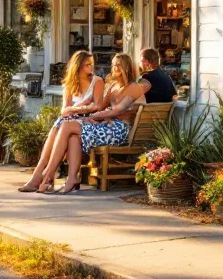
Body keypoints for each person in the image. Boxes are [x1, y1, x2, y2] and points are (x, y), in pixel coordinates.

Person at [38, 53, 145, 194]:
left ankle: (47, 175)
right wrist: (84, 106)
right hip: (107, 127)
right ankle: (72, 179)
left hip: (120, 131)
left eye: (118, 64)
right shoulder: (113, 86)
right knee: (72, 135)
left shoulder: (134, 87)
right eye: (113, 64)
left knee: (67, 125)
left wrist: (92, 117)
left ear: (126, 67)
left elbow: (117, 110)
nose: (114, 67)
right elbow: (100, 106)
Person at [18, 50, 104, 193]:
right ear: (78, 66)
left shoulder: (97, 81)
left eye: (92, 65)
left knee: (60, 125)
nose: (91, 68)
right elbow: (64, 110)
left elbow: (97, 106)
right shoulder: (70, 84)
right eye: (88, 65)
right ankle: (45, 174)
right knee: (60, 125)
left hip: (88, 121)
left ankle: (44, 175)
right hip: (71, 121)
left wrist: (76, 109)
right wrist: (81, 106)